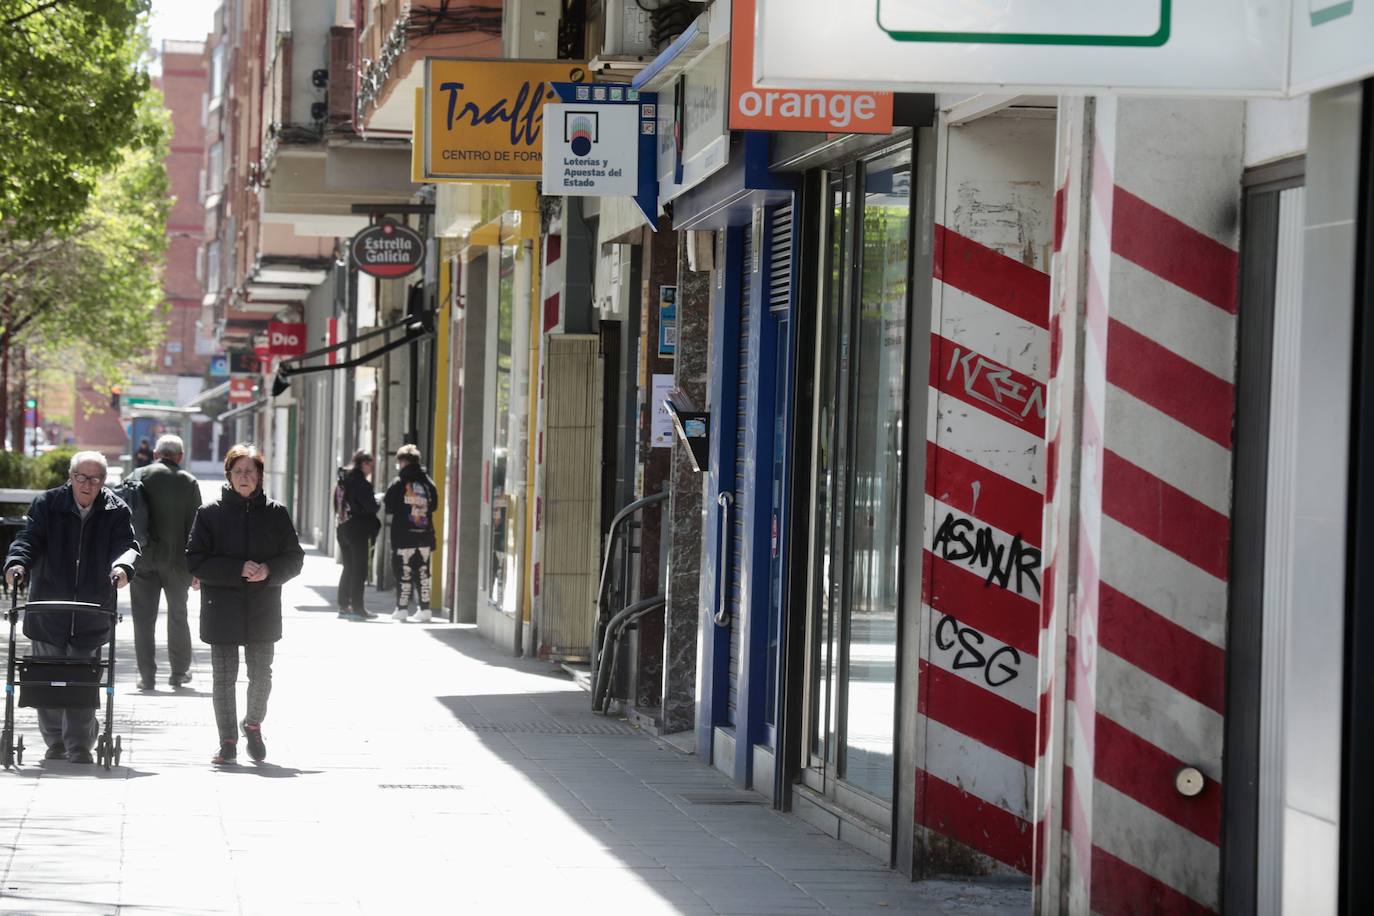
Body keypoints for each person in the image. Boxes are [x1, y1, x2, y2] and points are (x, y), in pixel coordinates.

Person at [3, 451, 138, 764]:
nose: (88, 484)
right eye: (81, 477)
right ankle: (54, 742)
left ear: (104, 482)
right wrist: (17, 563)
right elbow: (29, 538)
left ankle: (79, 745)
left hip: (91, 610)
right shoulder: (47, 504)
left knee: (82, 680)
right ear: (70, 477)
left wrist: (122, 568)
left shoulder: (115, 510)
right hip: (50, 607)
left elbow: (128, 547)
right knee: (47, 678)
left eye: (95, 479)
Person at [186, 443, 303, 765]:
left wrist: (269, 571)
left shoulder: (276, 514)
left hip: (263, 607)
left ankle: (252, 724)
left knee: (261, 675)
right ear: (229, 475)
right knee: (223, 678)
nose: (244, 477)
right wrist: (235, 569)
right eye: (238, 471)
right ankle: (227, 740)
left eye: (250, 471)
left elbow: (294, 559)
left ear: (261, 476)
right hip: (221, 606)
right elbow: (195, 560)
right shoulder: (209, 514)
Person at [127, 435, 201, 691]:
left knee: (143, 619)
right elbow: (197, 527)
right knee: (178, 616)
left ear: (156, 454)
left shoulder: (138, 475)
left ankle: (147, 676)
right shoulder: (188, 482)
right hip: (178, 561)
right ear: (180, 456)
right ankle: (179, 672)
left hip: (142, 557)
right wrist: (198, 567)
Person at [384, 444, 438, 623]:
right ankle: (425, 608)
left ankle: (402, 608)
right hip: (424, 534)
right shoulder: (428, 483)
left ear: (403, 461)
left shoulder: (399, 482)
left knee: (404, 573)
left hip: (403, 536)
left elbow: (389, 505)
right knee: (423, 572)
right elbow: (435, 505)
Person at [334, 450, 379, 622]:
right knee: (359, 570)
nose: (372, 469)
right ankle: (357, 608)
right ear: (364, 463)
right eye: (371, 465)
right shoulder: (361, 484)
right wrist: (377, 502)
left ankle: (344, 605)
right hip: (358, 529)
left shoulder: (344, 481)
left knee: (348, 567)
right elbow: (371, 507)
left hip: (342, 527)